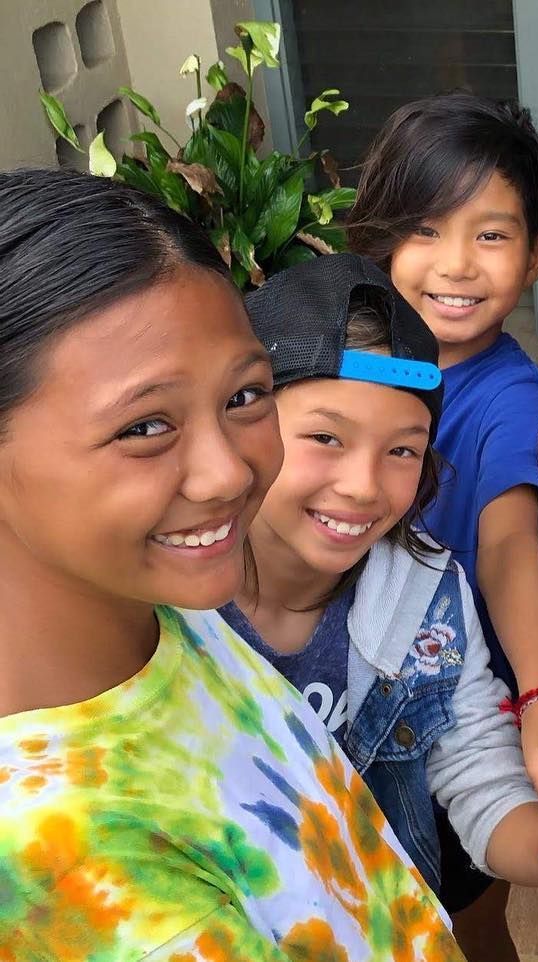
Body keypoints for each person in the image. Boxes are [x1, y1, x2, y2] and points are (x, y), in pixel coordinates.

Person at [0, 168, 465, 959]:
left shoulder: (158, 614)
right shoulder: (67, 864)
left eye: (244, 396)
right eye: (145, 426)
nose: (229, 474)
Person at [221, 252, 538, 961]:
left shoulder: (426, 594)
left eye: (402, 450)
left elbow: (478, 775)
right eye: (326, 437)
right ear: (242, 422)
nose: (361, 486)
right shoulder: (160, 605)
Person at [347, 95, 538, 952]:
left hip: (455, 700)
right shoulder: (355, 357)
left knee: (466, 905)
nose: (456, 266)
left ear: (537, 257)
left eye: (493, 235)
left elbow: (510, 545)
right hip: (344, 675)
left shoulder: (508, 398)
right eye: (426, 230)